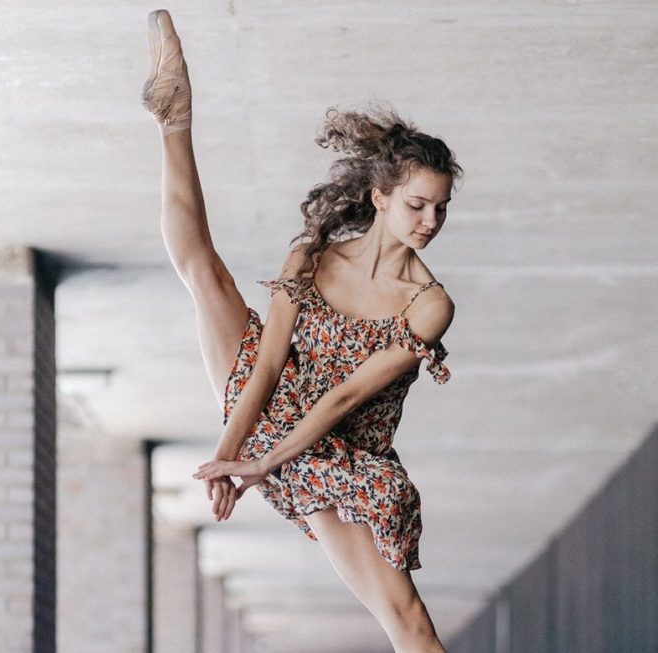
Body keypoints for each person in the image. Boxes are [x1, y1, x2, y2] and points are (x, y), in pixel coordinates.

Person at [142, 9, 462, 652]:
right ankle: (175, 117)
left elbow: (346, 398)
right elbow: (266, 365)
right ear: (380, 197)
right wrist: (229, 455)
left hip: (337, 457)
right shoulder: (312, 257)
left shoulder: (428, 304)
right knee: (203, 270)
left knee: (409, 624)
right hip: (267, 406)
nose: (430, 221)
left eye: (440, 208)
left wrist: (263, 462)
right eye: (416, 204)